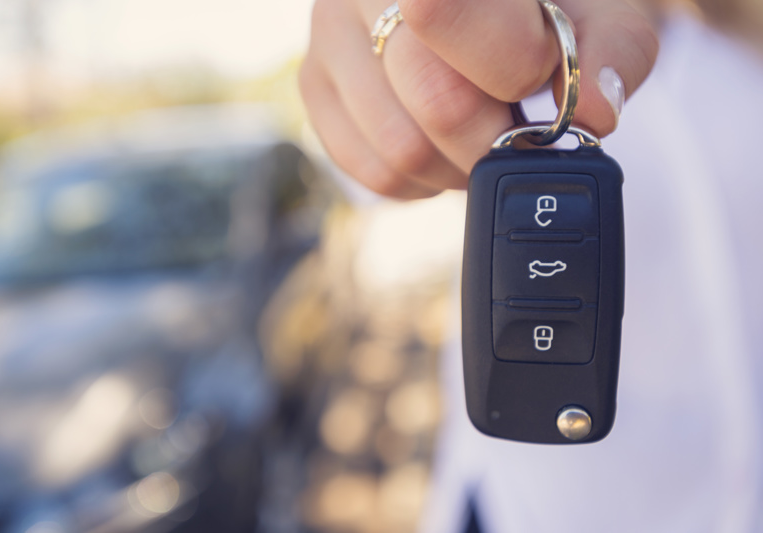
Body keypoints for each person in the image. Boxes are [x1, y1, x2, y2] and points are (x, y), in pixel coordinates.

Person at [300, 0, 763, 531]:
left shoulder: (746, 49)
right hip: (529, 511)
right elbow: (372, 166)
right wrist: (378, 29)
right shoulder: (500, 41)